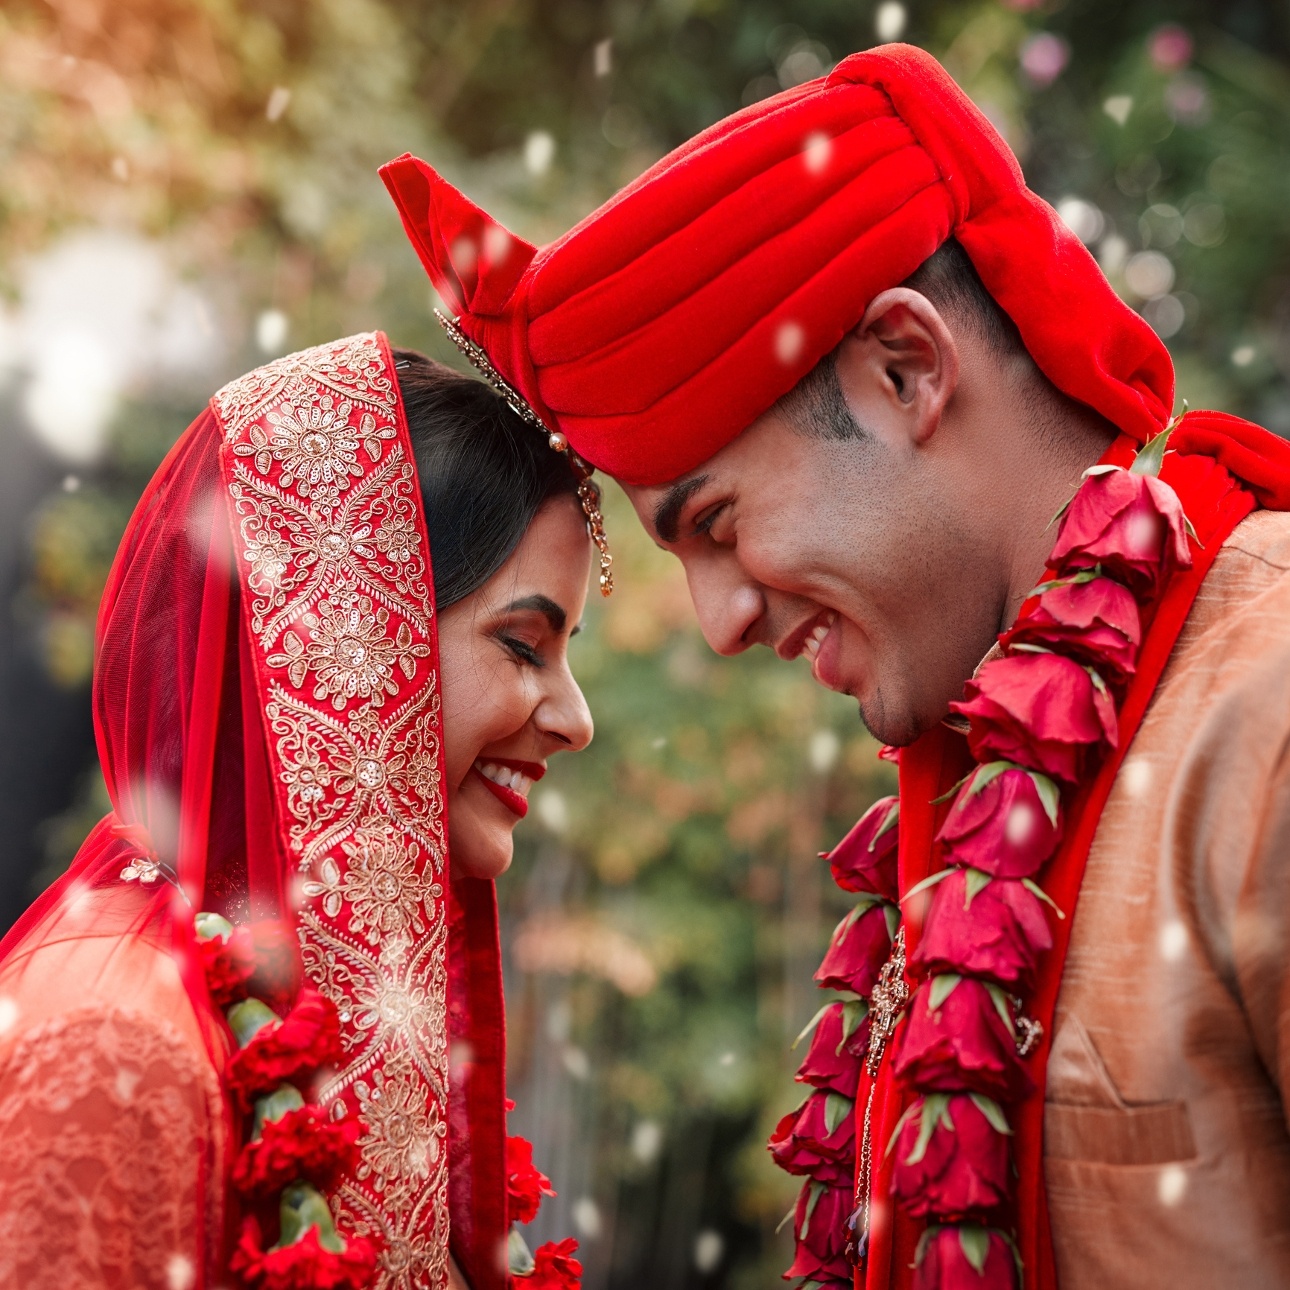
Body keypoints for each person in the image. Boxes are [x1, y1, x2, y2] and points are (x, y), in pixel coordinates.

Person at [380, 42, 1290, 1290]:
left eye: (715, 524)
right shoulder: (978, 773)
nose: (720, 622)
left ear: (905, 369)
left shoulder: (1267, 702)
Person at [0, 331, 596, 1290]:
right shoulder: (112, 1043)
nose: (578, 721)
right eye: (524, 646)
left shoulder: (307, 1004)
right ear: (349, 638)